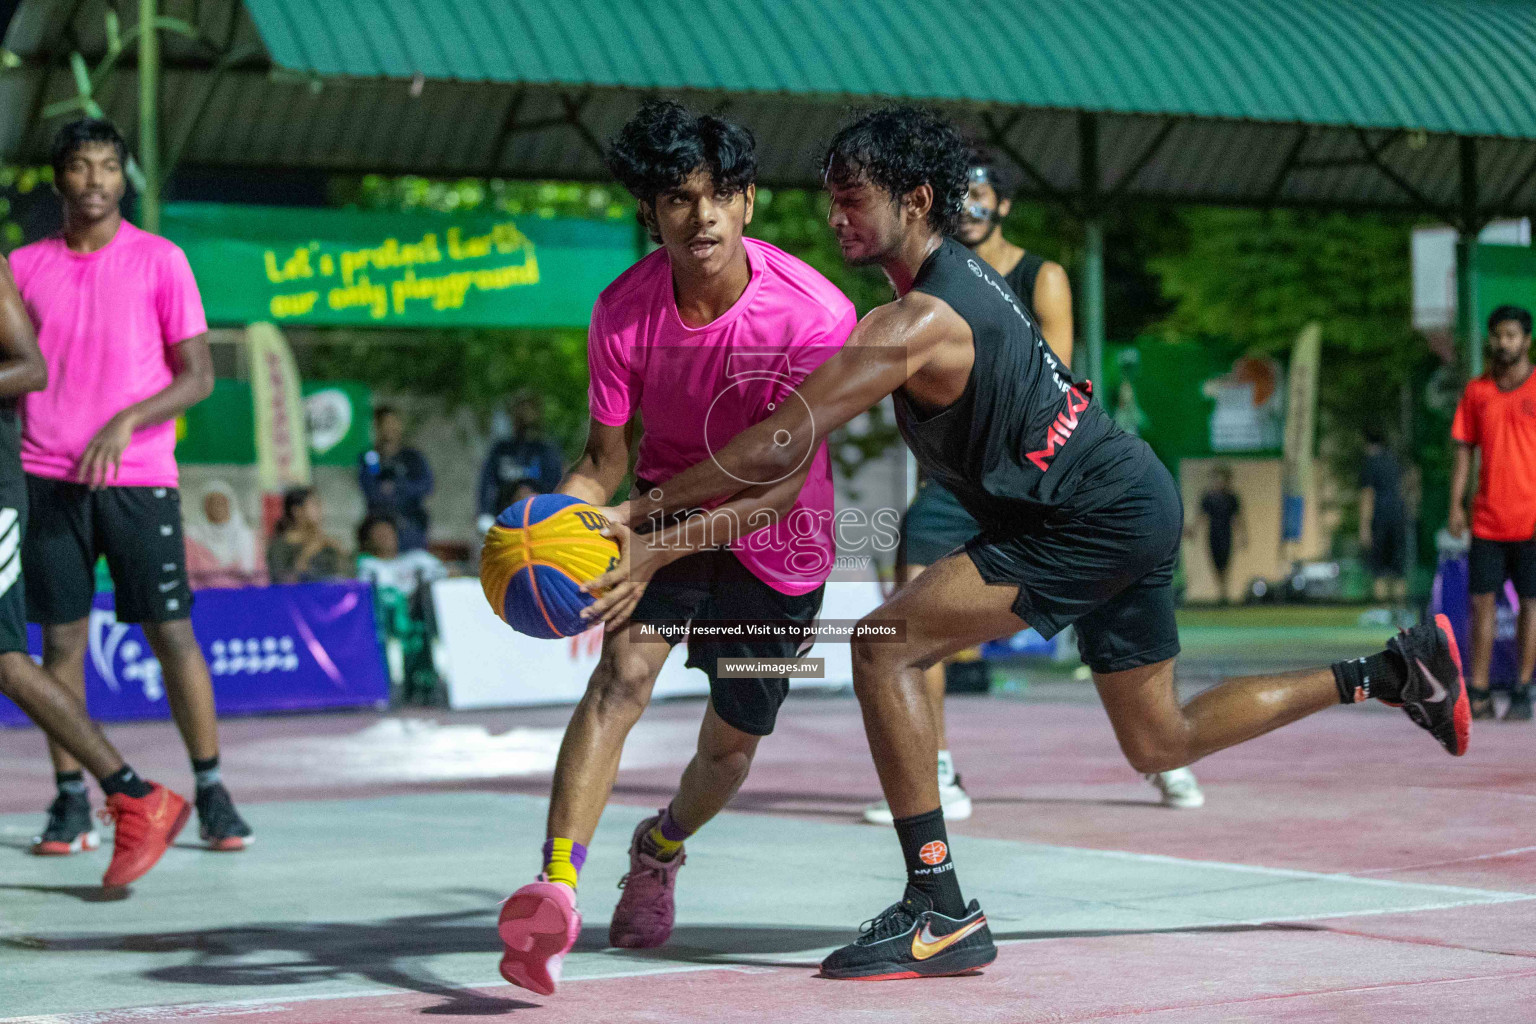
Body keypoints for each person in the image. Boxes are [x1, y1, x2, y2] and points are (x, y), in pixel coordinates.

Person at [589, 106, 1470, 982]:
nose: (835, 219)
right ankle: (1393, 672)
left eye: (852, 200)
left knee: (882, 648)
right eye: (831, 201)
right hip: (1122, 496)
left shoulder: (914, 322)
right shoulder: (943, 287)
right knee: (1161, 742)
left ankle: (938, 905)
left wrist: (638, 513)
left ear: (916, 198)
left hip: (1089, 514)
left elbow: (784, 440)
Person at [494, 100, 856, 997]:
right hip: (656, 507)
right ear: (650, 212)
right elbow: (603, 462)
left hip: (779, 536)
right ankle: (556, 886)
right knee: (619, 677)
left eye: (717, 195)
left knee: (729, 749)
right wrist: (544, 524)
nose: (699, 216)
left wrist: (648, 540)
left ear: (749, 204)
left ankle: (658, 850)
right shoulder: (621, 312)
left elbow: (774, 485)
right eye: (677, 198)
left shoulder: (815, 313)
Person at [864, 149, 1201, 826]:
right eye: (961, 194)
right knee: (905, 610)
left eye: (982, 194)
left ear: (1005, 204)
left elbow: (1056, 373)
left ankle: (1167, 753)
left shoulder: (1039, 276)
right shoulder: (924, 289)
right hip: (959, 484)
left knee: (1129, 662)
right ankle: (936, 769)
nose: (971, 205)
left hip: (1047, 475)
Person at [9, 119, 251, 854]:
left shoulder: (161, 260)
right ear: (59, 181)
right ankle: (70, 800)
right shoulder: (21, 266)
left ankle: (210, 788)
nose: (94, 180)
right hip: (43, 475)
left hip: (138, 476)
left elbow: (199, 377)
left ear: (124, 179)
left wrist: (128, 420)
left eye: (108, 167)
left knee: (171, 632)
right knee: (61, 641)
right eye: (80, 167)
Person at [1, 243, 188, 886]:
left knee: (7, 654)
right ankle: (112, 794)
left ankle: (137, 792)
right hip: (44, 478)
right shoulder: (27, 263)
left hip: (61, 479)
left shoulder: (4, 268)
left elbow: (29, 368)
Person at [1449, 304, 1536, 722]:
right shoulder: (1476, 392)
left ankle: (1522, 689)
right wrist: (1455, 505)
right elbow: (1464, 452)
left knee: (1531, 606)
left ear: (1527, 340)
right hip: (1486, 520)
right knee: (1480, 605)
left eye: (1513, 335)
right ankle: (1478, 692)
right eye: (1499, 335)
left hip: (1532, 520)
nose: (1505, 343)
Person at [476, 393, 565, 533]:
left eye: (529, 408)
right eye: (520, 408)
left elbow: (556, 487)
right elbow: (488, 484)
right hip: (503, 522)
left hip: (539, 524)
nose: (524, 414)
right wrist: (485, 513)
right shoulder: (501, 450)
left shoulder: (546, 452)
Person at [359, 405, 433, 552]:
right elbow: (372, 490)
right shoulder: (370, 457)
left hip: (411, 525)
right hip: (381, 526)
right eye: (384, 424)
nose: (389, 429)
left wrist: (399, 487)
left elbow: (426, 485)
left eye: (393, 423)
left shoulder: (412, 457)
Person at [1359, 427, 1409, 606]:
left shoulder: (1370, 463)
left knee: (1378, 568)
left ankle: (1381, 609)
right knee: (1398, 568)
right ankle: (1401, 609)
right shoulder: (1395, 461)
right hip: (1399, 517)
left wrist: (1364, 527)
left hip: (1379, 519)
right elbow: (1407, 486)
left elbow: (1367, 495)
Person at [1187, 464, 1247, 605]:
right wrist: (1193, 530)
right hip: (1213, 533)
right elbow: (1201, 516)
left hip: (1226, 533)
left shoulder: (1231, 498)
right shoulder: (1208, 497)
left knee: (1225, 561)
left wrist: (1242, 535)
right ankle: (1221, 591)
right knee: (1215, 562)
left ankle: (1224, 591)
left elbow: (1238, 518)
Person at [185, 480, 262, 588]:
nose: (217, 506)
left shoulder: (248, 537)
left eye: (221, 502)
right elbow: (190, 579)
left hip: (243, 600)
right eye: (212, 502)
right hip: (207, 600)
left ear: (230, 504)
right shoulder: (192, 537)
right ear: (204, 506)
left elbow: (260, 578)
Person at [266, 487, 346, 584]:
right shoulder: (279, 546)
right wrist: (308, 552)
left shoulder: (326, 544)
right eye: (314, 505)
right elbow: (283, 582)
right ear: (297, 511)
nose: (320, 510)